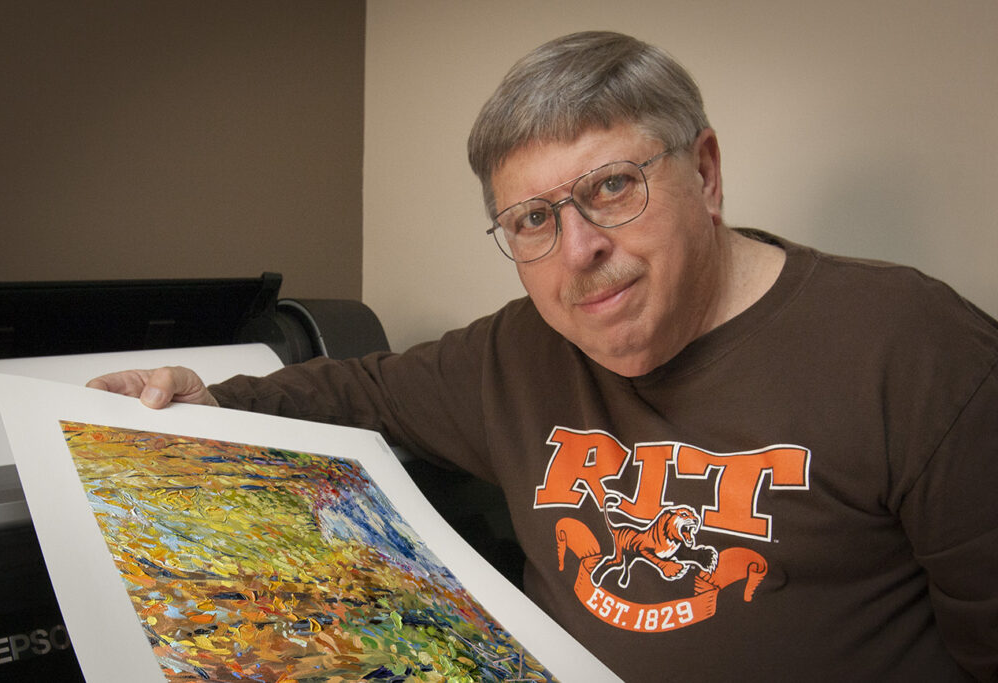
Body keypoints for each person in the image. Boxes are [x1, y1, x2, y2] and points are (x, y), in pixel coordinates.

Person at [89, 31, 998, 682]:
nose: (577, 250)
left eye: (612, 186)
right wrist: (202, 397)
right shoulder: (516, 354)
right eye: (532, 219)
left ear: (707, 173)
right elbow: (359, 388)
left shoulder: (919, 352)